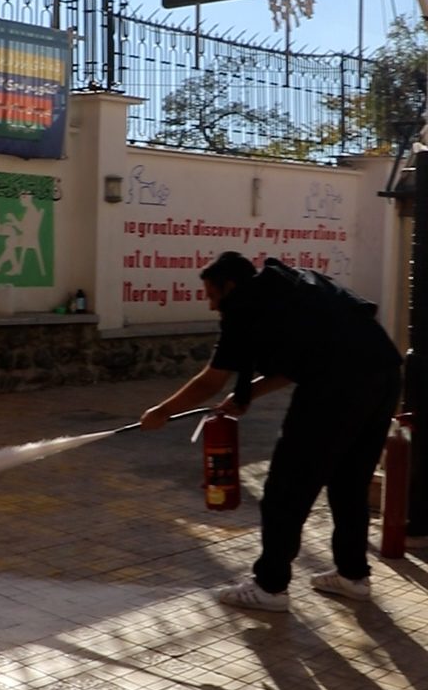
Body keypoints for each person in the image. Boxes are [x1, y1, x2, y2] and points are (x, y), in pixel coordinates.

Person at [141, 251, 402, 612]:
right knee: (350, 482)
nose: (212, 306)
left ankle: (270, 586)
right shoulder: (295, 283)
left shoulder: (243, 308)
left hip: (334, 389)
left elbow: (209, 382)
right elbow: (302, 361)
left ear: (229, 286)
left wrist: (161, 412)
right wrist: (247, 394)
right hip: (384, 375)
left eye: (213, 296)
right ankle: (353, 576)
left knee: (285, 489)